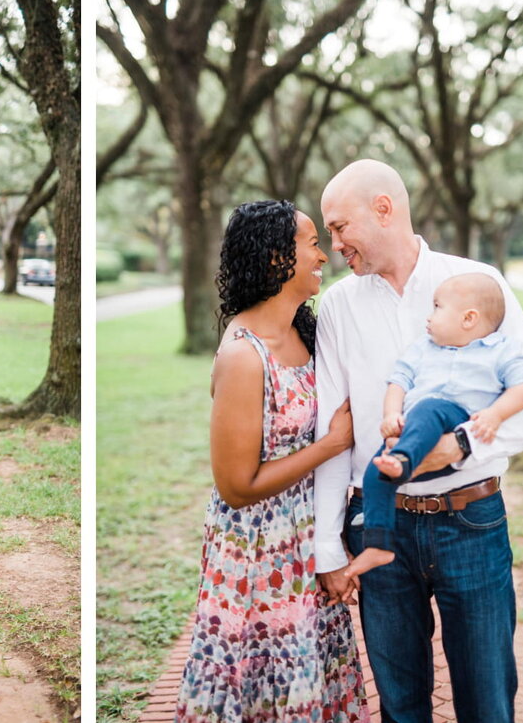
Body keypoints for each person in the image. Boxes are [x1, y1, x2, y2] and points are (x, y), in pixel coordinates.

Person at [313, 159, 523, 723]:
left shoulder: (477, 282)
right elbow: (333, 431)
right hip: (378, 524)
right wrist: (328, 543)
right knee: (400, 707)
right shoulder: (339, 307)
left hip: (470, 522)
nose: (334, 244)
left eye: (339, 226)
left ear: (383, 209)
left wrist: (464, 447)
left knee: (487, 700)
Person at [175, 200, 369, 722]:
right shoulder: (243, 355)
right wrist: (328, 446)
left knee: (308, 673)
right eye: (311, 243)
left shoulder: (307, 332)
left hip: (307, 539)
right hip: (259, 555)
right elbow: (237, 485)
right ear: (278, 258)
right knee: (264, 679)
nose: (323, 255)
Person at [346, 273, 523, 578]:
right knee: (374, 472)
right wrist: (391, 414)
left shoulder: (501, 349)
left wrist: (495, 414)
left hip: (454, 422)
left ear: (469, 318)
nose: (429, 316)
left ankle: (403, 462)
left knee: (430, 407)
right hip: (414, 433)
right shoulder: (424, 348)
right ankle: (378, 544)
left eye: (437, 307)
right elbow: (398, 382)